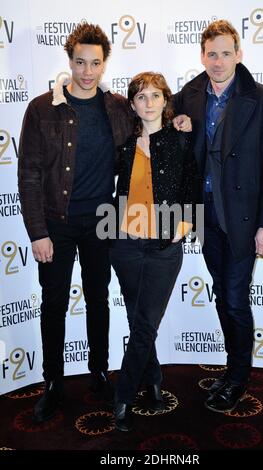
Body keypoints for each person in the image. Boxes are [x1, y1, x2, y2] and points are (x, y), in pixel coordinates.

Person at [18, 22, 134, 423]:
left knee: (98, 299)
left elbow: (150, 128)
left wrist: (180, 124)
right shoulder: (41, 108)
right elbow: (29, 173)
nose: (87, 71)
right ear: (69, 60)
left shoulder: (118, 107)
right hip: (57, 223)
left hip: (101, 220)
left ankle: (99, 372)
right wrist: (38, 233)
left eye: (95, 63)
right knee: (53, 304)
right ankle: (53, 383)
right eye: (80, 62)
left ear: (105, 64)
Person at [173, 20, 263, 413]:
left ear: (239, 54)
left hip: (242, 219)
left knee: (235, 298)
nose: (218, 61)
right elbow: (145, 107)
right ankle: (232, 368)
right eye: (211, 54)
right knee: (224, 294)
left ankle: (238, 376)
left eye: (225, 53)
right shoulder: (188, 96)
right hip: (205, 218)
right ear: (201, 56)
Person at [110, 72, 197, 431]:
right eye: (141, 96)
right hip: (125, 244)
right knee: (137, 320)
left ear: (166, 101)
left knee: (145, 323)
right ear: (131, 104)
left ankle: (123, 397)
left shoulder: (180, 139)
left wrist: (186, 225)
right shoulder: (125, 145)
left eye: (155, 96)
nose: (148, 102)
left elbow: (192, 185)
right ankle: (156, 378)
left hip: (164, 247)